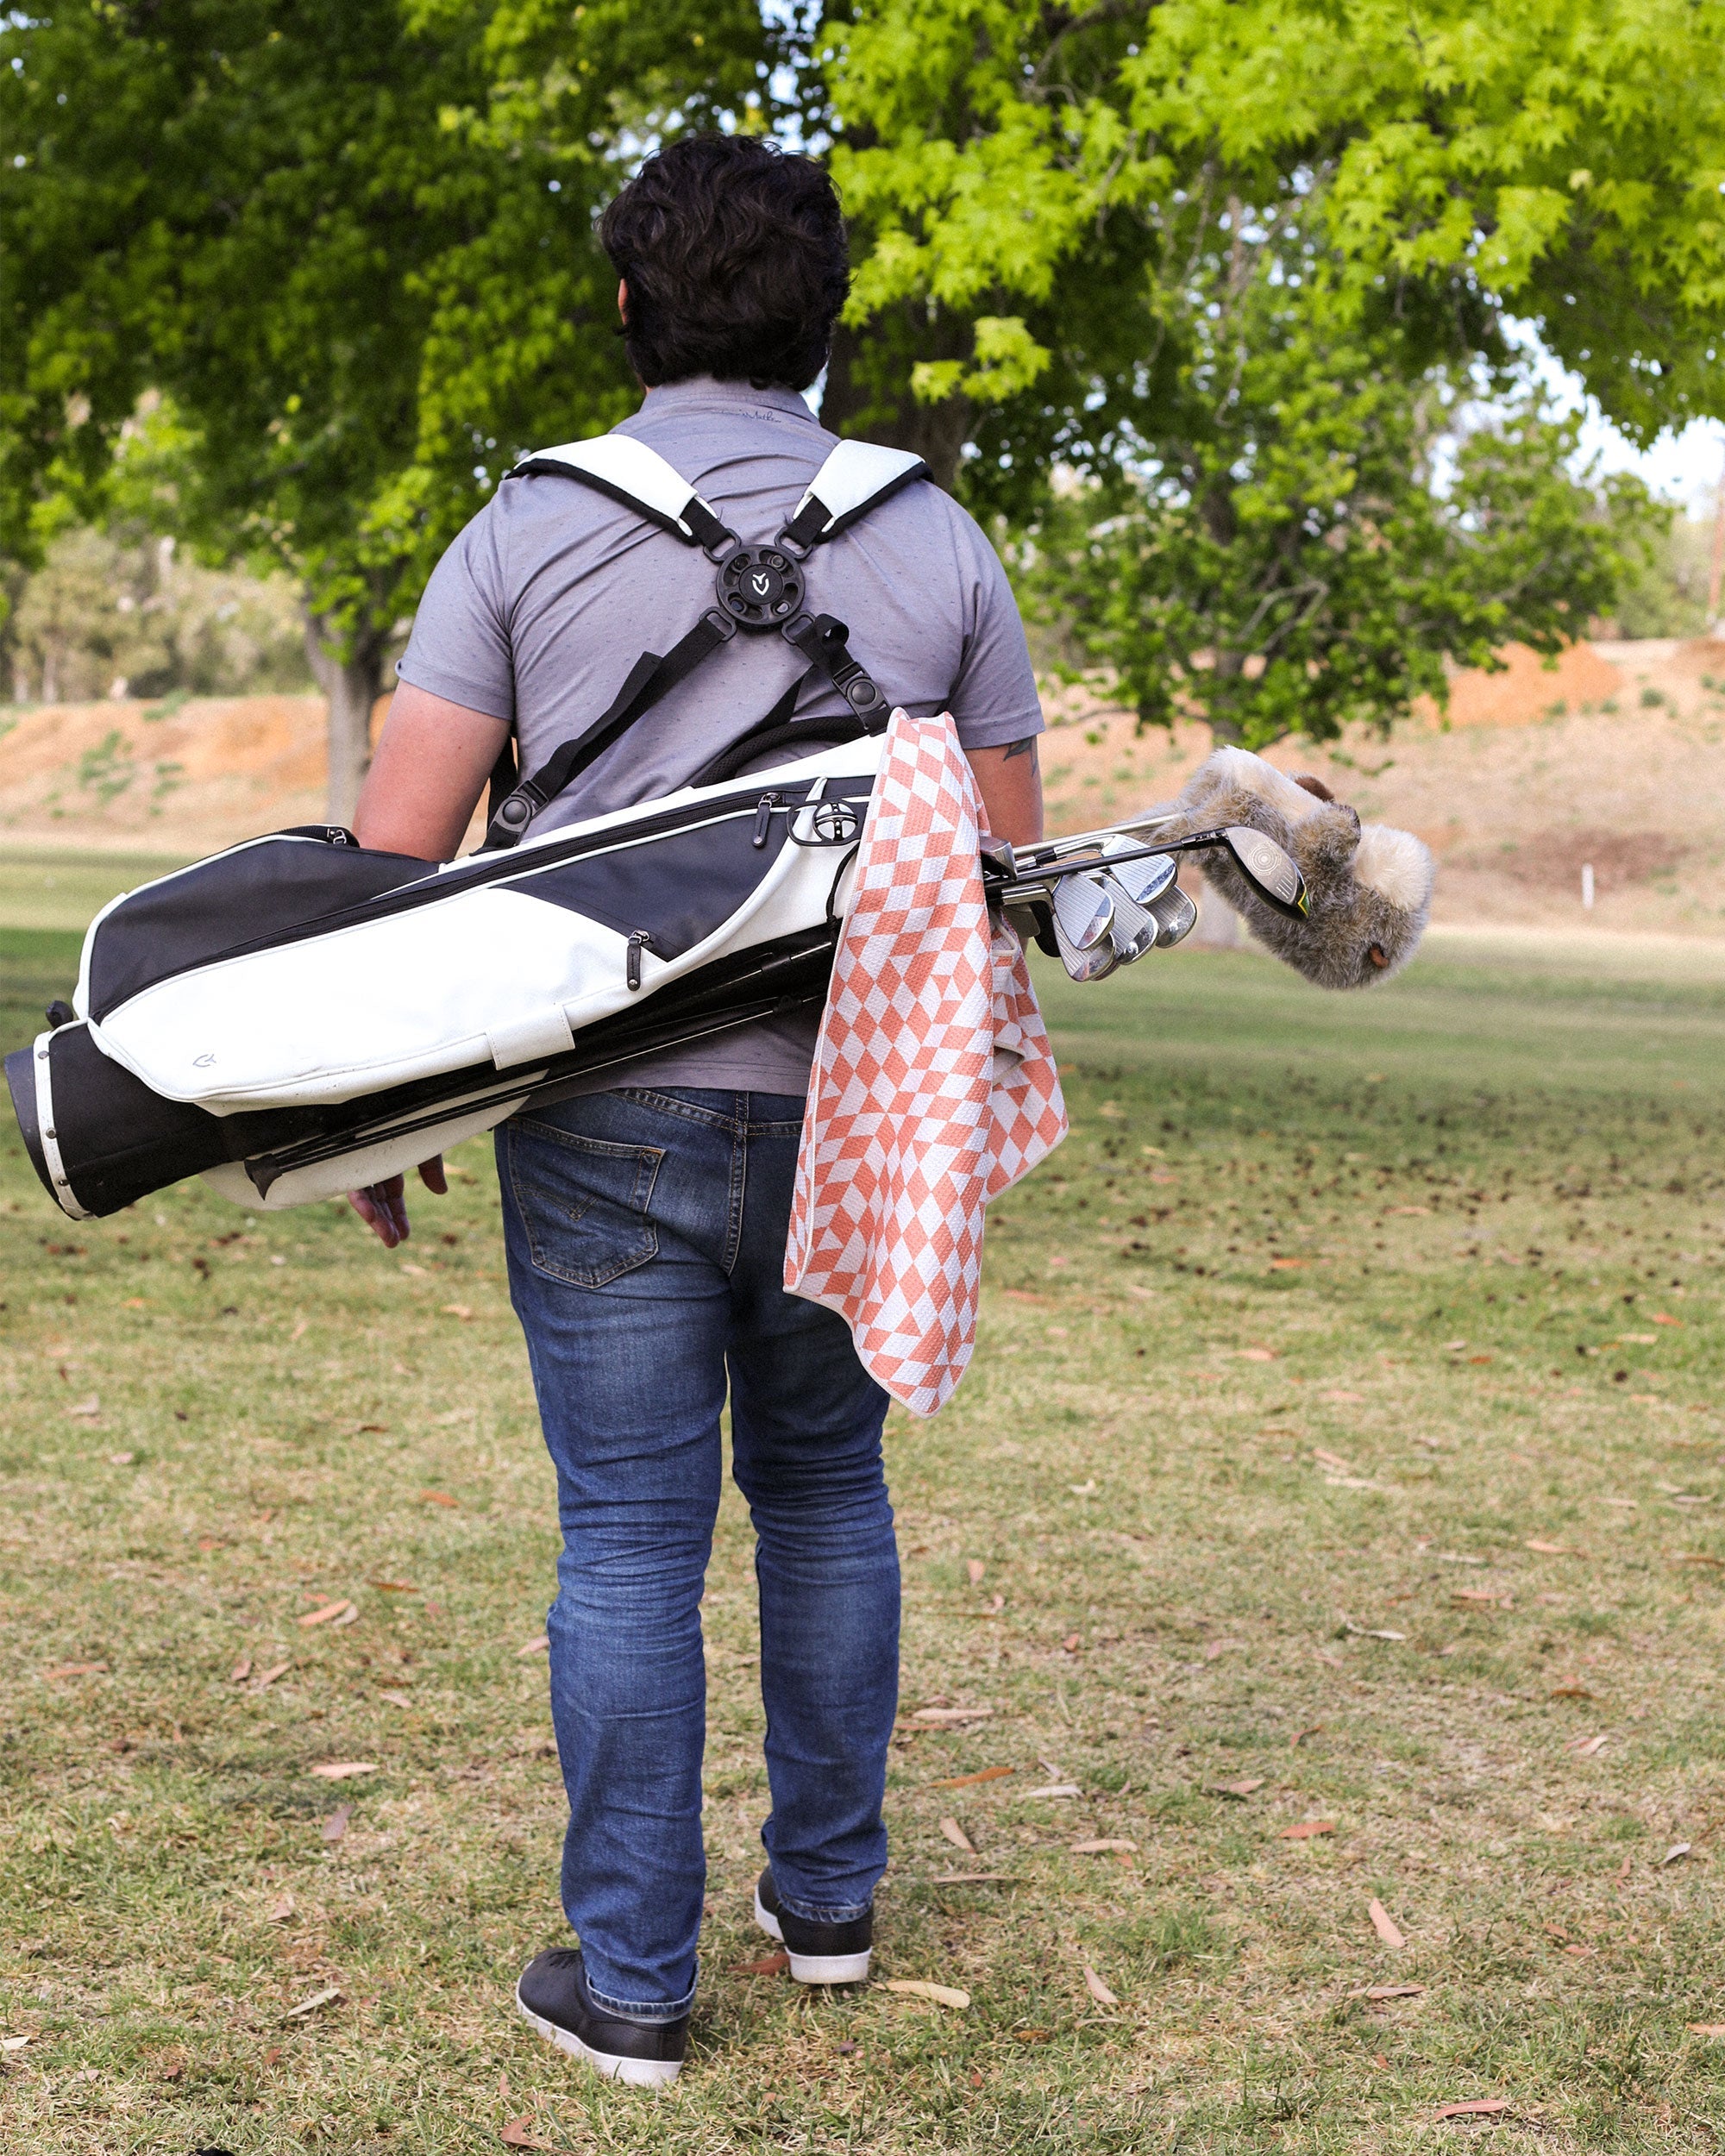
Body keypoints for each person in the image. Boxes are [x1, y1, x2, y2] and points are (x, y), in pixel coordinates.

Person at [346, 134, 1045, 2088]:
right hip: (858, 1109)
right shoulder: (938, 538)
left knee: (630, 1544)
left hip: (602, 1116)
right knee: (829, 1494)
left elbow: (394, 860)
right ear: (824, 328)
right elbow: (1004, 882)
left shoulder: (519, 533)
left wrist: (375, 1121)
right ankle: (823, 1903)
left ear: (628, 308)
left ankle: (634, 1987)